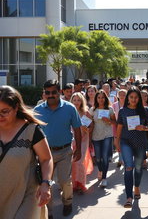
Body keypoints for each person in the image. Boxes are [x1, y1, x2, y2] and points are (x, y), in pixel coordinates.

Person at [0, 85, 53, 219]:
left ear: (16, 107)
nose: (0, 116)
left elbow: (46, 159)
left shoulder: (31, 130)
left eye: (5, 111)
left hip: (27, 195)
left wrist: (46, 184)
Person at [34, 79, 82, 218]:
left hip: (65, 151)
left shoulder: (69, 108)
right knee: (46, 183)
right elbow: (32, 133)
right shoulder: (37, 110)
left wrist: (78, 149)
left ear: (59, 92)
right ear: (44, 93)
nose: (50, 95)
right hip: (44, 154)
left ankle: (67, 202)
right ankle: (48, 211)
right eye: (47, 92)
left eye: (53, 92)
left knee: (64, 181)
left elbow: (77, 129)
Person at [115, 86, 148, 208]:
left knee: (138, 168)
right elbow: (119, 127)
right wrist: (116, 141)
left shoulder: (144, 111)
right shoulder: (122, 111)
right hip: (126, 142)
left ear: (139, 98)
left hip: (140, 143)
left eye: (136, 97)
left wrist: (145, 128)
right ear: (127, 98)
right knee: (129, 167)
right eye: (131, 97)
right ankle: (128, 197)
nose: (133, 99)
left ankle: (137, 186)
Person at [89, 90, 116, 188]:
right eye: (99, 97)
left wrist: (109, 120)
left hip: (107, 135)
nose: (101, 99)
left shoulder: (110, 109)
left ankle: (104, 178)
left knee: (105, 157)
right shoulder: (93, 110)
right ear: (96, 99)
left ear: (106, 98)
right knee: (98, 158)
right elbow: (88, 122)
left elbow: (115, 122)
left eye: (103, 97)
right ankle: (100, 170)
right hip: (96, 136)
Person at [71, 92, 93, 194]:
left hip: (83, 139)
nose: (76, 102)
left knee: (80, 161)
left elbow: (91, 125)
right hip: (72, 139)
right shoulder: (69, 111)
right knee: (73, 162)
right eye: (74, 100)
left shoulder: (85, 112)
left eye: (78, 100)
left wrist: (87, 129)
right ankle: (73, 183)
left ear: (82, 101)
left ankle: (81, 184)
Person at [112, 89, 127, 167]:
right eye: (120, 94)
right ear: (117, 96)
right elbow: (111, 115)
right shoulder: (114, 105)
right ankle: (120, 158)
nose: (122, 96)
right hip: (116, 125)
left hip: (126, 126)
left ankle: (123, 159)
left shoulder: (128, 104)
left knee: (124, 142)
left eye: (124, 94)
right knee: (116, 142)